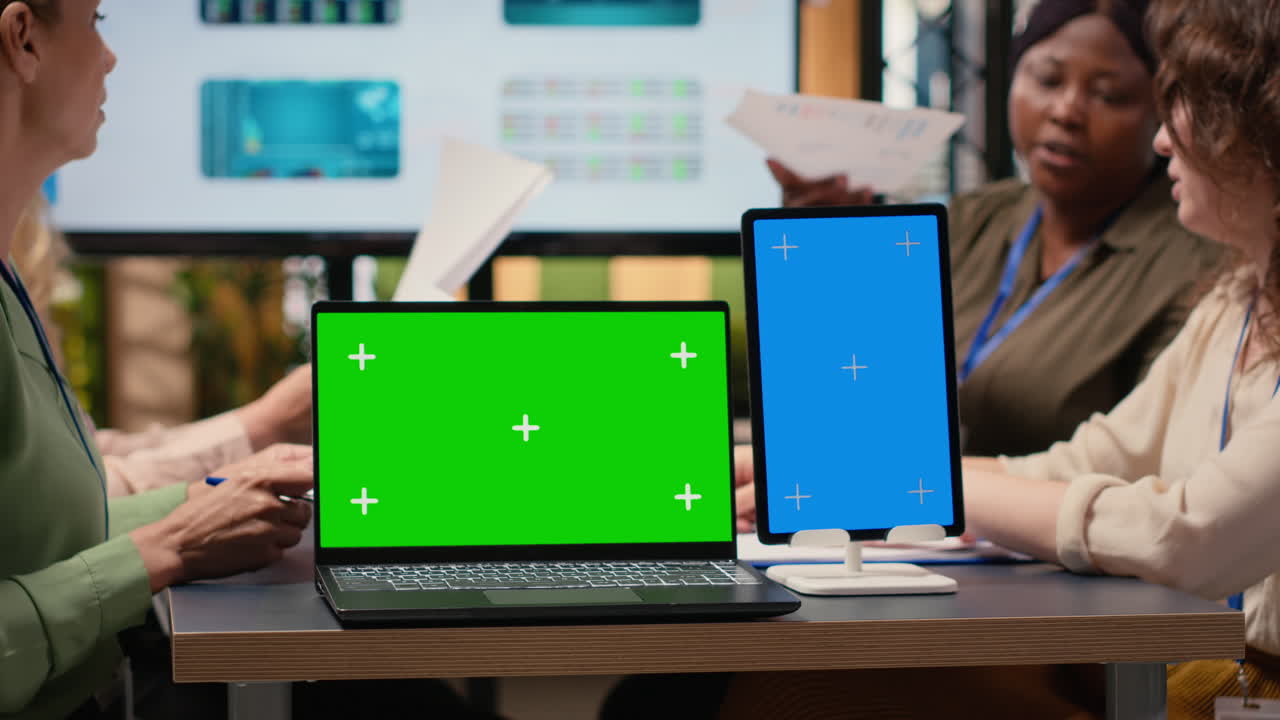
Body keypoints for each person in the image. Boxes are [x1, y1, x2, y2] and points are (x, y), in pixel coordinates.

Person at [714, 0, 1280, 716]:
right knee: (792, 678)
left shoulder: (1191, 269)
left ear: (1263, 137)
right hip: (1189, 664)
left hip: (1203, 670)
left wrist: (895, 483)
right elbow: (1087, 462)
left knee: (800, 684)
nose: (1168, 141)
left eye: (1180, 111)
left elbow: (1184, 536)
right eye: (1046, 78)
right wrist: (844, 472)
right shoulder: (1234, 299)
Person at [766, 0, 1217, 458]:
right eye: (1047, 79)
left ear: (1161, 116)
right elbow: (853, 379)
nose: (1066, 111)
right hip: (912, 510)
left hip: (1050, 525)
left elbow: (1146, 465)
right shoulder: (974, 218)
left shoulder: (1196, 265)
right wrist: (823, 244)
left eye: (1108, 94)